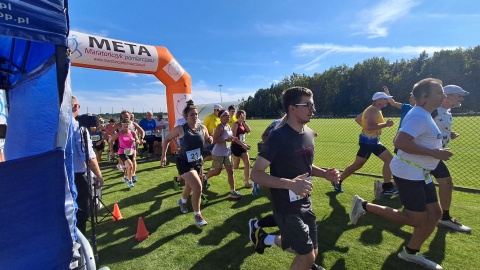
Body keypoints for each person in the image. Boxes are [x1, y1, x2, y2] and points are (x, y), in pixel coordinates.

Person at [350, 78, 452, 270]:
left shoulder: (425, 114)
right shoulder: (419, 116)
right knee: (415, 219)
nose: (444, 96)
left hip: (422, 172)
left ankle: (411, 252)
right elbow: (400, 142)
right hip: (409, 172)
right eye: (439, 92)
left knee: (435, 213)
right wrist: (435, 153)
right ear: (424, 96)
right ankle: (363, 205)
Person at [250, 86, 340, 270]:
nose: (313, 110)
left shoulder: (308, 133)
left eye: (313, 105)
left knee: (313, 253)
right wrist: (290, 184)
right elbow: (256, 174)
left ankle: (265, 239)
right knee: (307, 256)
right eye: (308, 105)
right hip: (285, 206)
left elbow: (305, 166)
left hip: (306, 202)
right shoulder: (277, 137)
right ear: (292, 108)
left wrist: (325, 174)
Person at [161, 100, 212, 226]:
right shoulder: (180, 129)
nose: (195, 117)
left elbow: (208, 139)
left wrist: (209, 139)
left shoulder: (202, 128)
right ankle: (198, 215)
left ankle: (182, 201)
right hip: (184, 162)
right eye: (191, 115)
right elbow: (167, 139)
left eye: (196, 114)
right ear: (185, 117)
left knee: (189, 186)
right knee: (198, 187)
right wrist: (163, 156)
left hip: (197, 161)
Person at [336, 91, 397, 198]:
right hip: (368, 143)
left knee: (389, 160)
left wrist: (366, 129)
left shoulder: (370, 109)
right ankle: (338, 180)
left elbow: (358, 119)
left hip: (372, 141)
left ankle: (387, 187)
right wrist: (386, 124)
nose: (386, 101)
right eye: (385, 99)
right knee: (357, 165)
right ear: (378, 100)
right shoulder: (373, 111)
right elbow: (370, 126)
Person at [430, 85, 471, 233]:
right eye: (459, 95)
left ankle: (444, 217)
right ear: (447, 96)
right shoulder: (432, 110)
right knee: (445, 182)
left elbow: (438, 128)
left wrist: (449, 134)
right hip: (428, 154)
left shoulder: (447, 111)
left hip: (434, 154)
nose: (461, 98)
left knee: (445, 182)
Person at [71, 96, 104, 235]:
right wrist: (99, 176)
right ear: (75, 107)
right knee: (81, 212)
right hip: (78, 176)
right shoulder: (78, 128)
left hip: (59, 174)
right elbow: (89, 157)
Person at [202, 109, 242, 199]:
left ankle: (233, 191)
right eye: (226, 115)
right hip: (218, 153)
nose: (228, 117)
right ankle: (204, 178)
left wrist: (237, 142)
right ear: (221, 117)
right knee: (217, 171)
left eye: (228, 115)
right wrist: (225, 140)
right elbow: (214, 140)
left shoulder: (228, 126)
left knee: (230, 172)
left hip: (227, 152)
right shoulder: (220, 127)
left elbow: (229, 138)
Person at [110, 118, 140, 188]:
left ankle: (125, 177)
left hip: (131, 151)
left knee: (128, 167)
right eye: (124, 124)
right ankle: (130, 181)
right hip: (122, 152)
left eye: (127, 124)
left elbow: (138, 141)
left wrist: (135, 140)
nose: (125, 126)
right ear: (122, 125)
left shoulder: (133, 133)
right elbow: (111, 141)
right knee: (130, 165)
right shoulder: (119, 133)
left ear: (130, 125)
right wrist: (111, 150)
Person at [231, 109, 253, 188]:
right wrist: (243, 145)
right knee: (235, 166)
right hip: (236, 146)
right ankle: (225, 167)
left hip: (243, 146)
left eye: (245, 115)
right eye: (243, 115)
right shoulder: (235, 124)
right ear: (239, 115)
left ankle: (247, 182)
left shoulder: (243, 124)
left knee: (247, 164)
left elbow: (249, 130)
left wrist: (243, 121)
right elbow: (234, 138)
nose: (245, 116)